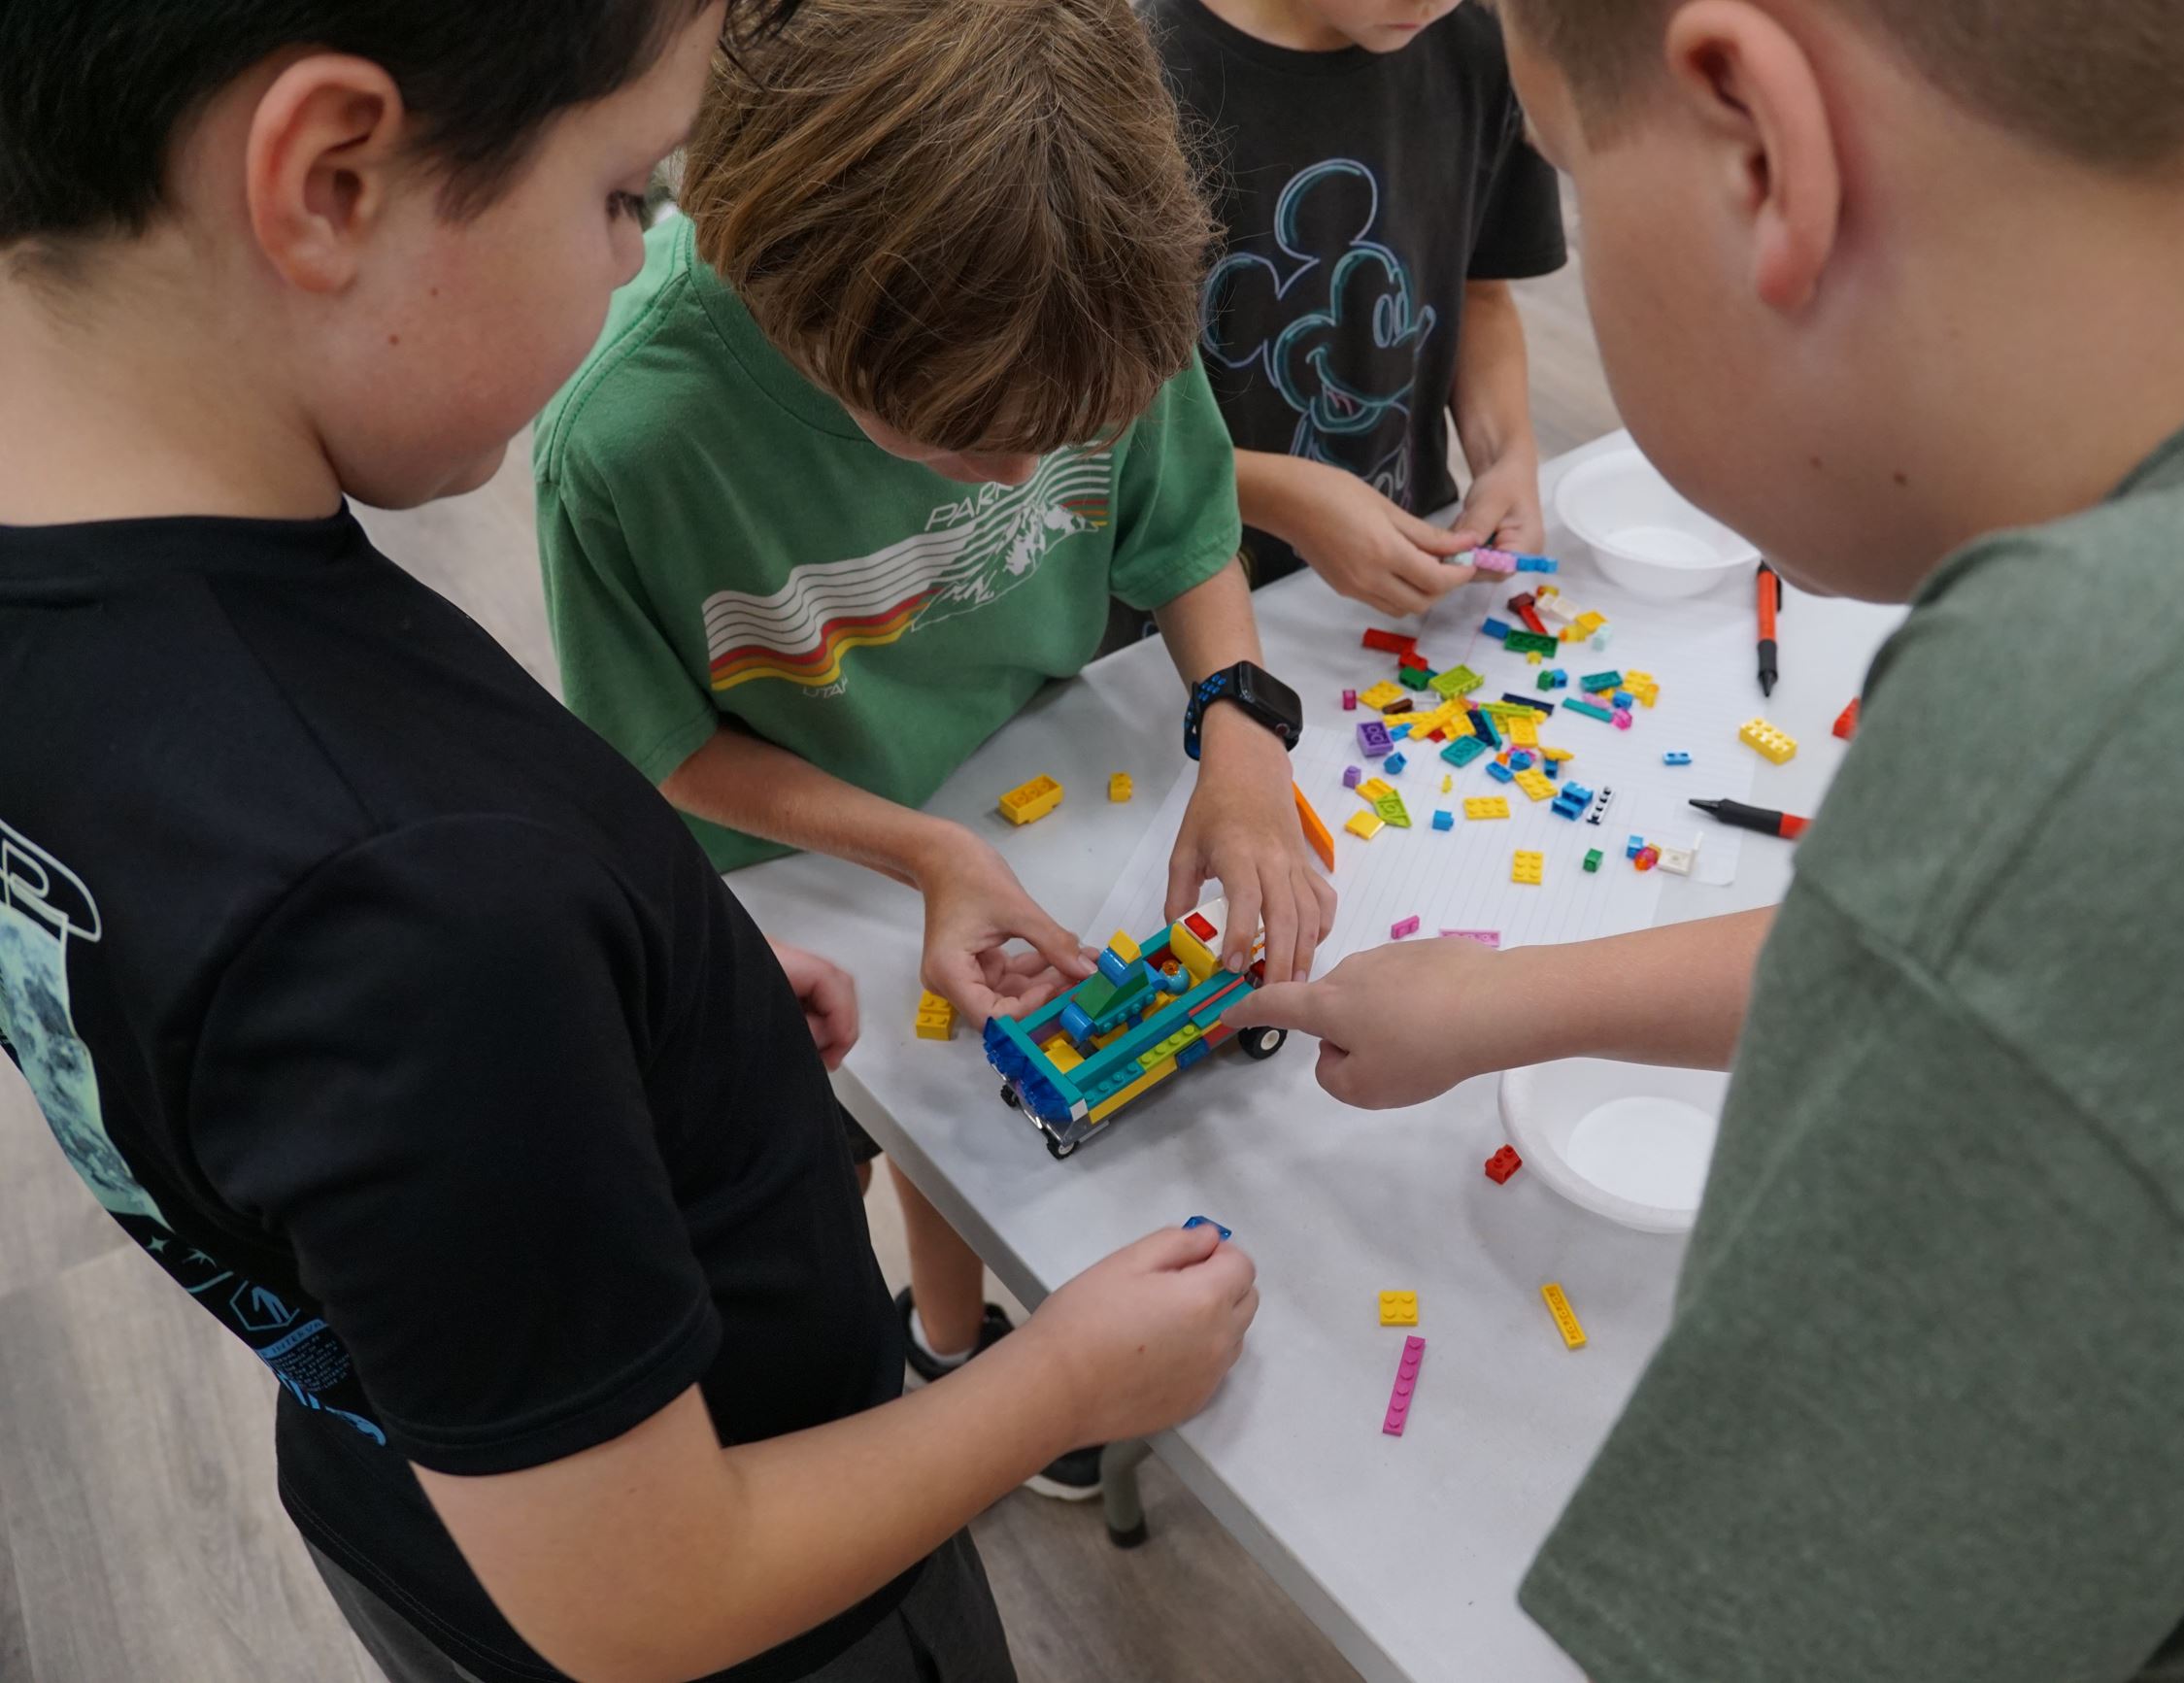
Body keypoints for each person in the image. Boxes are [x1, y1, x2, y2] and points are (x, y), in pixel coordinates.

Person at [1226, 0, 2184, 1674]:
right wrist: (1504, 999)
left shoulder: (2094, 719)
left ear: (1757, 143)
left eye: (1573, 174)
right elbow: (2071, 970)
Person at [0, 5, 1260, 1680]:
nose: (642, 262)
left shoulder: (122, 617)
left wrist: (661, 1007)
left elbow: (313, 1096)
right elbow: (652, 1593)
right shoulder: (413, 914)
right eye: (624, 192)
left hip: (425, 1479)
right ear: (329, 179)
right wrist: (1064, 1380)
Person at [533, 0, 1329, 1497]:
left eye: (1065, 435)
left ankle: (954, 1339)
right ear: (789, 308)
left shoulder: (1091, 284)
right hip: (796, 880)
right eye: (965, 444)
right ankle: (924, 1351)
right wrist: (924, 850)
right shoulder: (629, 440)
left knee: (975, 1119)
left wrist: (1242, 729)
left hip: (1040, 782)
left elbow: (1183, 532)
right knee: (834, 1147)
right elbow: (663, 748)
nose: (1027, 473)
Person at [1144, 0, 1568, 617]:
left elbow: (1480, 293)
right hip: (1178, 603)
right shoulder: (1136, 77)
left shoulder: (1481, 45)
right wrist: (1281, 498)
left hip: (1403, 570)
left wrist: (1506, 456)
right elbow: (1089, 434)